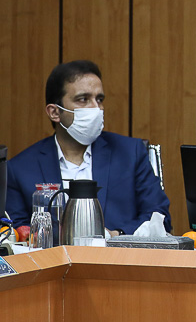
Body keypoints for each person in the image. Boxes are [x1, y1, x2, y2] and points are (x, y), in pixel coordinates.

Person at [5, 60, 171, 235]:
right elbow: (14, 232)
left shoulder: (130, 154)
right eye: (83, 99)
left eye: (99, 99)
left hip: (119, 252)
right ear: (55, 112)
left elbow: (160, 218)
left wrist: (116, 236)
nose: (96, 108)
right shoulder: (20, 169)